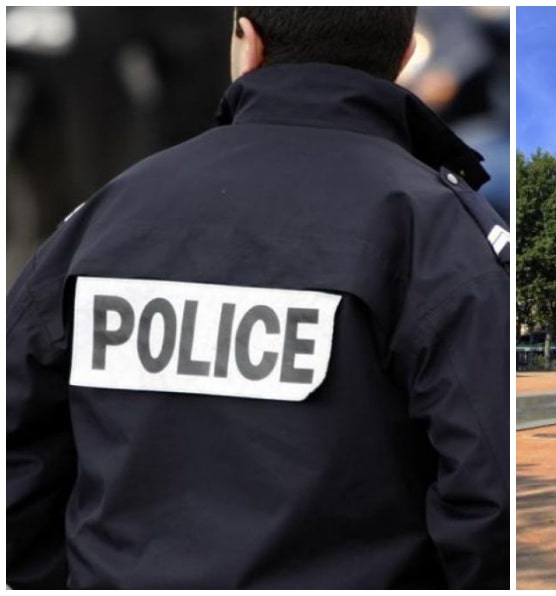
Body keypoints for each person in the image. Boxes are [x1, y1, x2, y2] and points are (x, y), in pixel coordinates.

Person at [6, 8, 509, 589]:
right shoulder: (440, 231)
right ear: (399, 61)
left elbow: (17, 452)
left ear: (247, 42)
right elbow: (489, 494)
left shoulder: (104, 216)